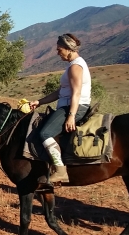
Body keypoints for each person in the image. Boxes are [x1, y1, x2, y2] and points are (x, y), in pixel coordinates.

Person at [29, 33, 91, 184]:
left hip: (74, 106)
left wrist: (71, 115)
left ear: (68, 49)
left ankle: (60, 171)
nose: (57, 53)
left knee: (45, 133)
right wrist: (39, 101)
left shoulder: (76, 66)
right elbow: (60, 92)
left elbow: (76, 93)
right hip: (68, 105)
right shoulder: (72, 65)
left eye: (59, 49)